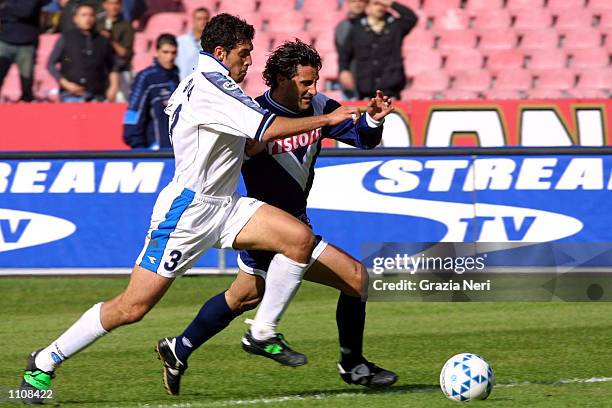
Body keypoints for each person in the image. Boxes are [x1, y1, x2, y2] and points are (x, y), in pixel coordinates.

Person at [19, 13, 359, 405]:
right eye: (244, 53)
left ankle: (262, 331)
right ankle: (43, 361)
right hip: (187, 213)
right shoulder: (211, 87)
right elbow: (264, 129)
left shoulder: (218, 84)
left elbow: (247, 141)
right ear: (221, 52)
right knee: (132, 307)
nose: (249, 62)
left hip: (226, 205)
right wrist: (329, 118)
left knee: (299, 239)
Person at [155, 40, 396, 396]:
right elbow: (236, 151)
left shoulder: (319, 107)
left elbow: (363, 139)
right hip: (263, 226)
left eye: (315, 82)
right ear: (282, 79)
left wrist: (373, 120)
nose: (313, 90)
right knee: (357, 278)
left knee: (243, 297)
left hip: (291, 223)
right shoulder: (252, 114)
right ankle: (352, 365)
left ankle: (179, 348)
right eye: (305, 83)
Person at [338, 0, 417, 99]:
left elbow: (411, 18)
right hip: (366, 89)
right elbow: (345, 53)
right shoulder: (357, 28)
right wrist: (344, 70)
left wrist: (391, 3)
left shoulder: (395, 26)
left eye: (383, 4)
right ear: (368, 6)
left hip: (391, 89)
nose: (380, 7)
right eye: (376, 3)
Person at [47, 3, 117, 102]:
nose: (88, 18)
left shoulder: (102, 40)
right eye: (83, 15)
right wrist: (65, 84)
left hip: (97, 95)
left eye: (91, 15)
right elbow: (51, 64)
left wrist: (113, 87)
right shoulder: (66, 38)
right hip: (70, 95)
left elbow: (112, 66)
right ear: (75, 19)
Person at [123, 34, 179, 149]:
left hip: (174, 150)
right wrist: (138, 147)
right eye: (165, 52)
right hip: (154, 149)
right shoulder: (146, 77)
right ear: (157, 52)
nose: (170, 57)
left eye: (173, 53)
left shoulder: (176, 78)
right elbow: (134, 111)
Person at [0, 0, 51, 102]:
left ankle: (25, 112)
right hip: (4, 41)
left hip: (27, 43)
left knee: (27, 84)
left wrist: (6, 8)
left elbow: (26, 11)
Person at [96, 0, 134, 101]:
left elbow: (126, 53)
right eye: (110, 3)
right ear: (104, 5)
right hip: (101, 73)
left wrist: (110, 40)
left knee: (121, 103)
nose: (113, 7)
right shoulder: (97, 25)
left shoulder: (126, 26)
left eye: (116, 3)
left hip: (121, 72)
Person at [334, 0, 367, 100]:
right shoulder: (342, 27)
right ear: (348, 3)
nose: (357, 4)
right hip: (351, 77)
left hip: (371, 79)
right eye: (353, 1)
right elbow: (343, 53)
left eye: (361, 1)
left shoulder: (375, 24)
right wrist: (344, 71)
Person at [176, 7, 209, 80]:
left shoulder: (213, 43)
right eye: (199, 19)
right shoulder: (180, 41)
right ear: (193, 20)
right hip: (183, 85)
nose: (203, 22)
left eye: (205, 19)